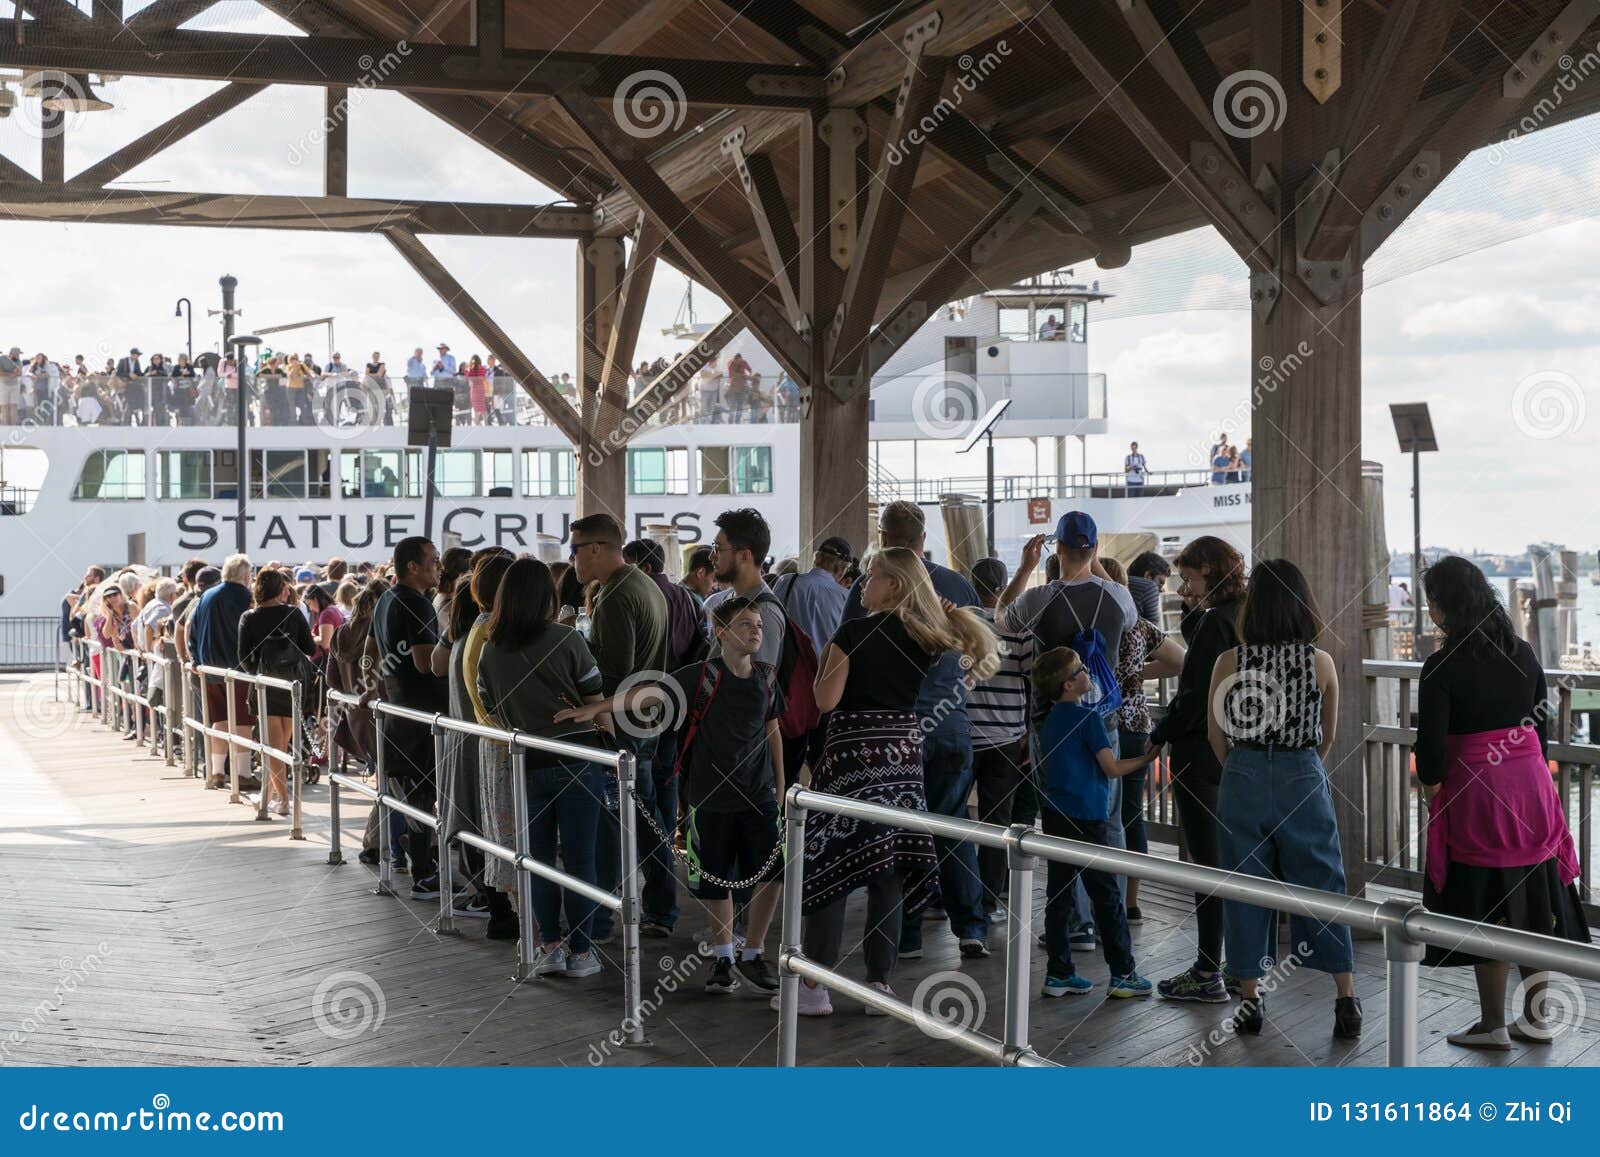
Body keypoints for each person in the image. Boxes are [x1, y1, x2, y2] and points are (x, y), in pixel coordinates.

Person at [794, 546, 998, 1014]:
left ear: (894, 584)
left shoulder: (852, 633)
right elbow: (979, 654)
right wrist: (947, 614)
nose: (862, 584)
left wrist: (828, 656)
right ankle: (878, 985)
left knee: (834, 864)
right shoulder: (925, 636)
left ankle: (815, 987)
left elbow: (825, 701)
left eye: (871, 577)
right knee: (889, 867)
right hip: (903, 754)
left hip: (853, 752)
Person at [561, 596, 787, 995]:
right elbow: (650, 694)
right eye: (746, 624)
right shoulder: (700, 677)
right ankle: (723, 955)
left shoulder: (767, 678)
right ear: (722, 633)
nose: (756, 631)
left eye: (759, 625)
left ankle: (753, 952)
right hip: (709, 796)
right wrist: (598, 707)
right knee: (716, 881)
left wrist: (782, 784)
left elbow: (773, 730)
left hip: (758, 796)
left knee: (771, 875)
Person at [1415, 556, 1589, 1049]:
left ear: (1445, 606)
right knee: (1535, 900)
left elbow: (1430, 753)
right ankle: (1535, 1020)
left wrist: (1434, 788)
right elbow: (1542, 732)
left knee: (1486, 903)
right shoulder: (1525, 653)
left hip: (1476, 796)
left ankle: (1492, 1024)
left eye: (1432, 601)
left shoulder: (1441, 666)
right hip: (1532, 790)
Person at [1205, 558, 1362, 1039]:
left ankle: (1250, 1000)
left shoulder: (1230, 661)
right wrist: (1299, 766)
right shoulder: (1321, 662)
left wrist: (1242, 765)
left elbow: (1216, 735)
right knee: (1321, 881)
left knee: (1245, 885)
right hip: (1301, 774)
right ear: (1303, 604)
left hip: (1243, 773)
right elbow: (1327, 736)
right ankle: (1346, 998)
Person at [843, 500, 990, 959]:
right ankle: (971, 927)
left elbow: (851, 654)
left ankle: (904, 937)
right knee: (953, 825)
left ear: (884, 539)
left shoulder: (872, 587)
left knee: (900, 832)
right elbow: (980, 656)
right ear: (925, 540)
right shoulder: (957, 585)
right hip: (950, 725)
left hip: (895, 730)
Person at [997, 512, 1138, 952]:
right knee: (1107, 822)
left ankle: (1075, 925)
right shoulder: (1119, 598)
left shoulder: (1040, 597)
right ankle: (1107, 915)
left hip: (1051, 727)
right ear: (1094, 549)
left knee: (1061, 821)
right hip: (1103, 723)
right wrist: (1094, 565)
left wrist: (1023, 568)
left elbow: (1001, 620)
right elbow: (1129, 622)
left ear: (1055, 550)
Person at [476, 557, 608, 976]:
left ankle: (549, 945)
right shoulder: (567, 640)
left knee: (539, 859)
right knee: (581, 860)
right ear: (547, 597)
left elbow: (491, 706)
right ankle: (582, 953)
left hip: (526, 762)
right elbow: (593, 701)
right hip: (577, 761)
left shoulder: (490, 651)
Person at [1147, 535, 1245, 1002]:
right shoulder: (1241, 618)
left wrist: (1158, 733)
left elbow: (1193, 695)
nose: (1184, 585)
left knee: (1207, 865)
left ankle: (1207, 970)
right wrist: (1193, 609)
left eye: (1188, 576)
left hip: (1199, 755)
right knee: (1238, 863)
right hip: (1238, 755)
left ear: (1208, 569)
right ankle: (1242, 967)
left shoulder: (1212, 626)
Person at [1032, 645, 1158, 997]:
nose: (1088, 671)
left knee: (1059, 895)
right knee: (1106, 897)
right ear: (1069, 685)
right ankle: (1123, 973)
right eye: (1080, 669)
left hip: (1057, 815)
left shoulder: (1050, 720)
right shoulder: (1089, 720)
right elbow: (1112, 769)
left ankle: (1058, 972)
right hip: (1088, 817)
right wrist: (1147, 757)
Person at [572, 512, 672, 939]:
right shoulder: (645, 585)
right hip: (648, 720)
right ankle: (662, 907)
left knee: (615, 823)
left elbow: (610, 677)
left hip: (624, 726)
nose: (572, 558)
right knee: (649, 818)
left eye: (575, 549)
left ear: (597, 549)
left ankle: (602, 917)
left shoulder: (614, 597)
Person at [1098, 558, 1184, 922]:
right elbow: (1181, 662)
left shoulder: (1093, 623)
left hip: (1099, 727)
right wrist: (1137, 672)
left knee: (1097, 816)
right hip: (1137, 725)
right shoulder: (1141, 627)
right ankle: (1131, 901)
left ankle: (1098, 899)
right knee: (1132, 816)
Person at [365, 536, 450, 894]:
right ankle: (425, 873)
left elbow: (369, 651)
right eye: (433, 559)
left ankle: (418, 865)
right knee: (426, 795)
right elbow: (423, 660)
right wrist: (451, 645)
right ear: (412, 566)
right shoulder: (418, 604)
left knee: (413, 796)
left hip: (398, 712)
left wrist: (382, 682)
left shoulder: (385, 599)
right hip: (423, 716)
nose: (439, 566)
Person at [966, 557, 1035, 918]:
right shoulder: (1018, 626)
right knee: (996, 823)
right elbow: (1030, 676)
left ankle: (943, 899)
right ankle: (987, 903)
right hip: (1006, 738)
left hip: (963, 733)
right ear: (1005, 584)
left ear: (971, 582)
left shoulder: (960, 621)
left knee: (952, 818)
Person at [457, 549, 519, 938]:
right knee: (512, 836)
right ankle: (516, 917)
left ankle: (510, 913)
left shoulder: (479, 630)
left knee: (503, 834)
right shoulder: (490, 636)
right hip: (503, 747)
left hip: (493, 746)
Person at [238, 568, 316, 816]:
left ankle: (281, 799)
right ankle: (277, 796)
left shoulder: (249, 618)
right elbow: (309, 647)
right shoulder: (293, 614)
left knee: (274, 746)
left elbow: (243, 657)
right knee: (283, 742)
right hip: (292, 685)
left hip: (265, 687)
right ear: (280, 589)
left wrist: (258, 672)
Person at [772, 535, 851, 776]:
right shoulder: (843, 597)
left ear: (816, 558)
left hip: (788, 683)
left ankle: (785, 803)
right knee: (822, 760)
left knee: (787, 759)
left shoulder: (786, 581)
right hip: (825, 690)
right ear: (842, 568)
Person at [190, 554, 257, 789]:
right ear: (246, 575)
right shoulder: (246, 597)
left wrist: (196, 660)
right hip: (238, 669)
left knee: (219, 721)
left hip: (209, 668)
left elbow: (192, 630)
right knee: (242, 722)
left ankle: (216, 772)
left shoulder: (206, 596)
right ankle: (243, 774)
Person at [1126, 551, 1170, 625]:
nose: (1162, 590)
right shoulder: (1150, 587)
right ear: (1148, 576)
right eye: (1160, 583)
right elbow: (1153, 634)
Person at [463, 354, 489, 425]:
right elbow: (484, 377)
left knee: (476, 409)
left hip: (474, 390)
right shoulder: (483, 368)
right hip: (481, 389)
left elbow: (467, 376)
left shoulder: (471, 369)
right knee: (483, 408)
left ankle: (477, 425)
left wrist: (466, 368)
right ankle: (486, 424)